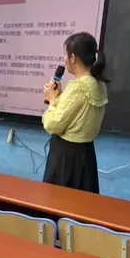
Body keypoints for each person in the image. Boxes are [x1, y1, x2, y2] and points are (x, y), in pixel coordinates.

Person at [42, 31, 109, 194]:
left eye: (65, 54)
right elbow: (76, 115)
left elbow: (52, 125)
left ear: (73, 57)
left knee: (59, 204)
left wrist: (52, 101)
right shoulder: (99, 84)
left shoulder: (78, 86)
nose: (64, 59)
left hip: (67, 158)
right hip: (85, 155)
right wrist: (59, 97)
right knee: (82, 205)